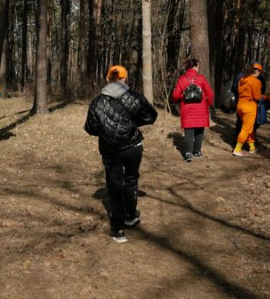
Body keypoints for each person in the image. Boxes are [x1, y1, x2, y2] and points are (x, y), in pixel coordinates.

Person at [85, 65, 158, 244]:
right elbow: (151, 116)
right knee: (131, 179)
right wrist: (132, 125)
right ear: (125, 79)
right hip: (133, 146)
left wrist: (107, 131)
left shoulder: (97, 102)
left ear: (108, 79)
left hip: (110, 149)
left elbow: (90, 128)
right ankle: (130, 215)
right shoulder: (134, 97)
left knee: (114, 186)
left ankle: (118, 230)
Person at [171, 58, 214, 162]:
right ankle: (197, 151)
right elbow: (210, 93)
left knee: (188, 131)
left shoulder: (182, 78)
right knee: (199, 130)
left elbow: (175, 95)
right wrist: (209, 103)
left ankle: (188, 153)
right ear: (194, 66)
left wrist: (179, 99)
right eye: (197, 66)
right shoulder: (201, 78)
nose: (198, 68)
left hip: (187, 109)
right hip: (201, 109)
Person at [233, 62, 267, 156]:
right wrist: (265, 97)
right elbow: (257, 97)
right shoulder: (256, 81)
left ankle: (252, 147)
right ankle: (237, 149)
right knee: (246, 128)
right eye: (260, 72)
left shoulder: (242, 79)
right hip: (249, 106)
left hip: (240, 105)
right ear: (258, 72)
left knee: (249, 127)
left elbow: (238, 91)